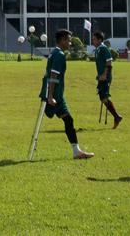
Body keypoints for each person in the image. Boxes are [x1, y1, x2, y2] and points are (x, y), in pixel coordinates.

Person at [39, 29, 94, 159]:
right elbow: (53, 76)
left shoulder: (54, 53)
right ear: (62, 40)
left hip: (57, 94)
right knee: (67, 119)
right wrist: (51, 96)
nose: (70, 42)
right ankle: (76, 151)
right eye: (68, 40)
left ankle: (76, 151)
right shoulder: (59, 55)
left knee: (68, 120)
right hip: (55, 95)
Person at [91, 31, 123, 128]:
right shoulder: (97, 50)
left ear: (100, 40)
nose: (93, 41)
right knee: (102, 97)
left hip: (106, 77)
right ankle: (116, 116)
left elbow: (109, 63)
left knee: (104, 97)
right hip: (101, 76)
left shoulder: (103, 49)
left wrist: (105, 75)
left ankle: (117, 116)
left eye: (94, 39)